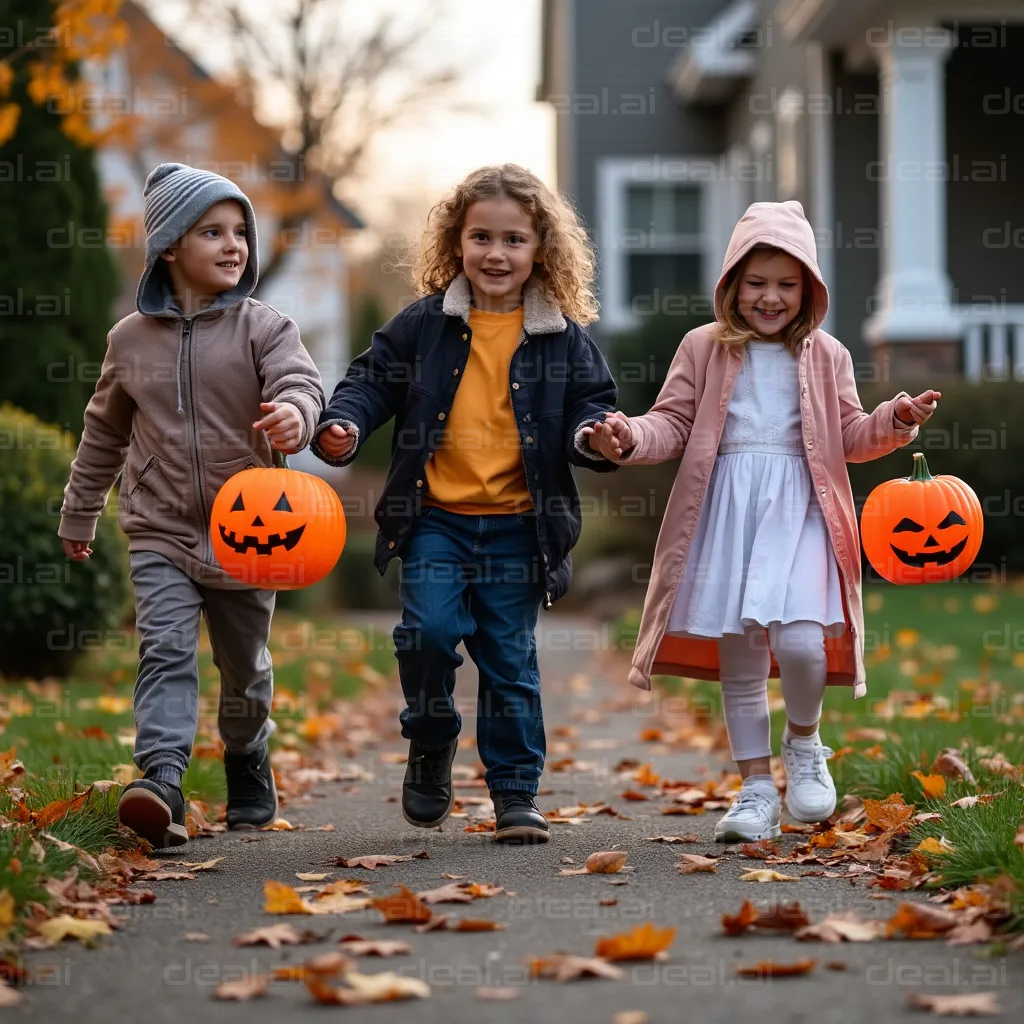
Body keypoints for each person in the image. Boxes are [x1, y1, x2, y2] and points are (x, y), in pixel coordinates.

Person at [587, 200, 939, 841]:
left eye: (785, 283)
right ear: (732, 285)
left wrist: (896, 419)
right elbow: (673, 421)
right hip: (726, 511)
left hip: (803, 508)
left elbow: (852, 435)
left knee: (802, 641)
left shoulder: (827, 353)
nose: (770, 297)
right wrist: (629, 435)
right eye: (756, 283)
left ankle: (804, 741)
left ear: (808, 287)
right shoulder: (702, 347)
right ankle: (753, 790)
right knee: (741, 659)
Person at [311, 164, 618, 843]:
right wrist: (346, 424)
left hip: (517, 527)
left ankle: (514, 793)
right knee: (425, 635)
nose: (496, 254)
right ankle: (431, 738)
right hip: (436, 522)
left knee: (509, 660)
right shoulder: (426, 325)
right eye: (481, 237)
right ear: (456, 243)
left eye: (514, 240)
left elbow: (590, 410)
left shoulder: (561, 337)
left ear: (541, 249)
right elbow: (370, 381)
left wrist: (596, 436)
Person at [59, 163, 324, 848]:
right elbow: (104, 434)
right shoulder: (129, 341)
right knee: (166, 650)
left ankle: (246, 755)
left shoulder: (264, 327)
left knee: (246, 671)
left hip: (252, 531)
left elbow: (301, 382)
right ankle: (163, 780)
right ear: (171, 245)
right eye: (213, 231)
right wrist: (80, 512)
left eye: (241, 231)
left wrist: (296, 414)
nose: (234, 244)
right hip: (160, 529)